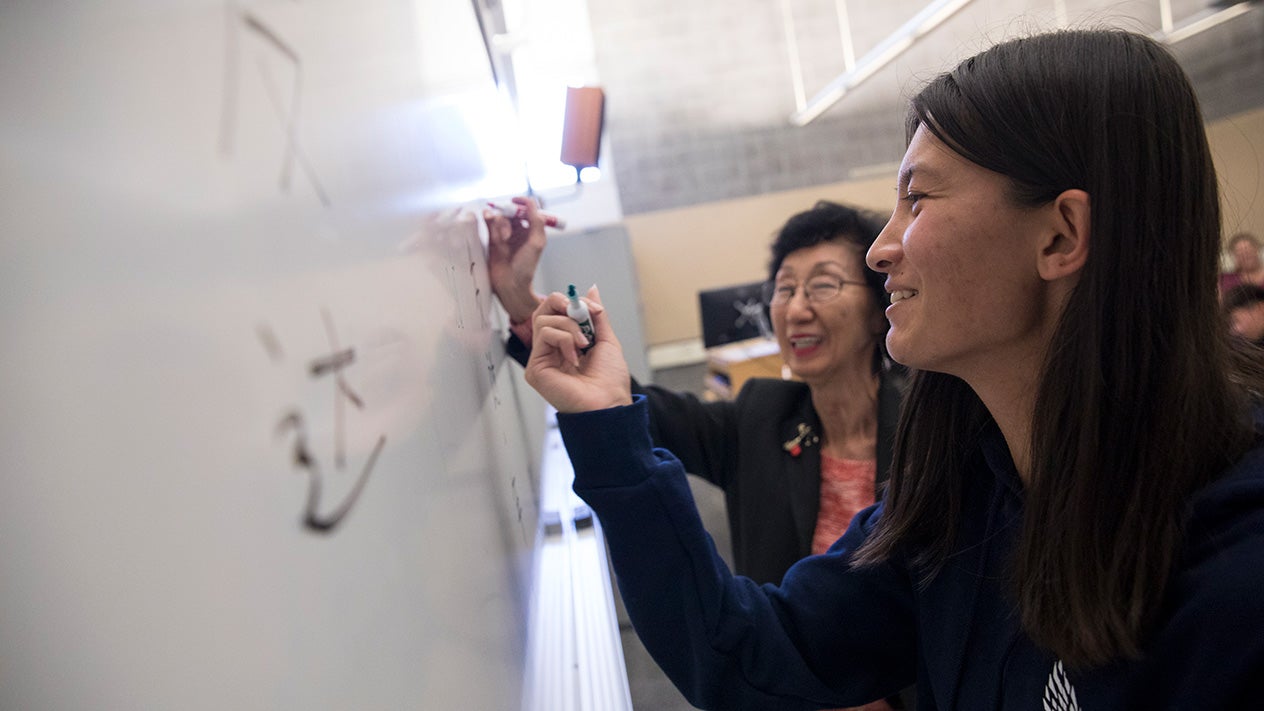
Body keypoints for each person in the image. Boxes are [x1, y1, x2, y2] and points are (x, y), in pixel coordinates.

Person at [520, 28, 1264, 709]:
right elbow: (751, 653)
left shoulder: (1229, 584)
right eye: (784, 289)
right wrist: (604, 419)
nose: (883, 249)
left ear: (1061, 235)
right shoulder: (963, 489)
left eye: (918, 197)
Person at [487, 200, 910, 710]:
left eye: (823, 285)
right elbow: (642, 409)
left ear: (875, 308)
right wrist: (519, 303)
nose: (797, 308)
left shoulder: (928, 429)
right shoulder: (762, 416)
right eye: (784, 289)